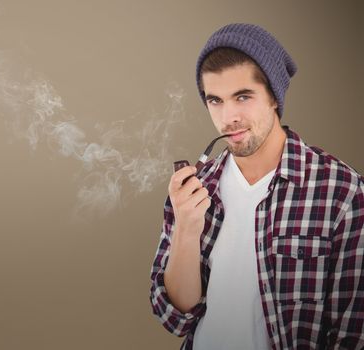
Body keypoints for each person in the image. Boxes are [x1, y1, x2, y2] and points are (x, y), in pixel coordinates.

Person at [148, 23, 364, 349]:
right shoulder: (194, 189)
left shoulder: (342, 192)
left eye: (243, 97)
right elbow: (174, 316)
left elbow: (353, 334)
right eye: (215, 100)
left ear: (274, 97)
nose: (228, 116)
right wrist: (186, 229)